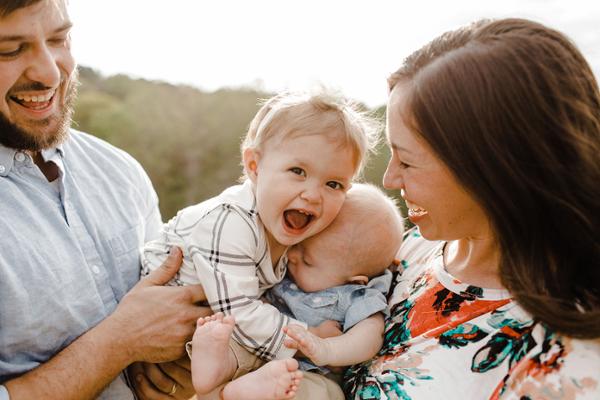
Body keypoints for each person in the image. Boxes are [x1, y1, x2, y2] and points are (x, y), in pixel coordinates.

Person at [343, 18, 600, 399]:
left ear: (493, 169)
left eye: (408, 162)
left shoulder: (569, 370)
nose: (390, 180)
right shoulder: (407, 251)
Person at [0, 1, 209, 399]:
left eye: (59, 39)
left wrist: (179, 369)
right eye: (10, 50)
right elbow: (131, 335)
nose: (48, 72)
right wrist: (118, 344)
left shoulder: (120, 172)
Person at [141, 90, 379, 399]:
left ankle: (235, 383)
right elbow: (241, 311)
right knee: (247, 332)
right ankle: (230, 379)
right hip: (159, 325)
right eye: (298, 171)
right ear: (254, 166)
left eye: (333, 184)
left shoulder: (287, 227)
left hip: (209, 326)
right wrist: (309, 336)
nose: (313, 194)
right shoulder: (230, 222)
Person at [273, 183, 404, 399]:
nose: (292, 255)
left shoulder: (356, 295)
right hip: (262, 354)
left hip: (306, 374)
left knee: (323, 393)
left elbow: (370, 336)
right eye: (299, 243)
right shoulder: (289, 266)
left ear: (354, 281)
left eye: (307, 260)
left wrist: (328, 349)